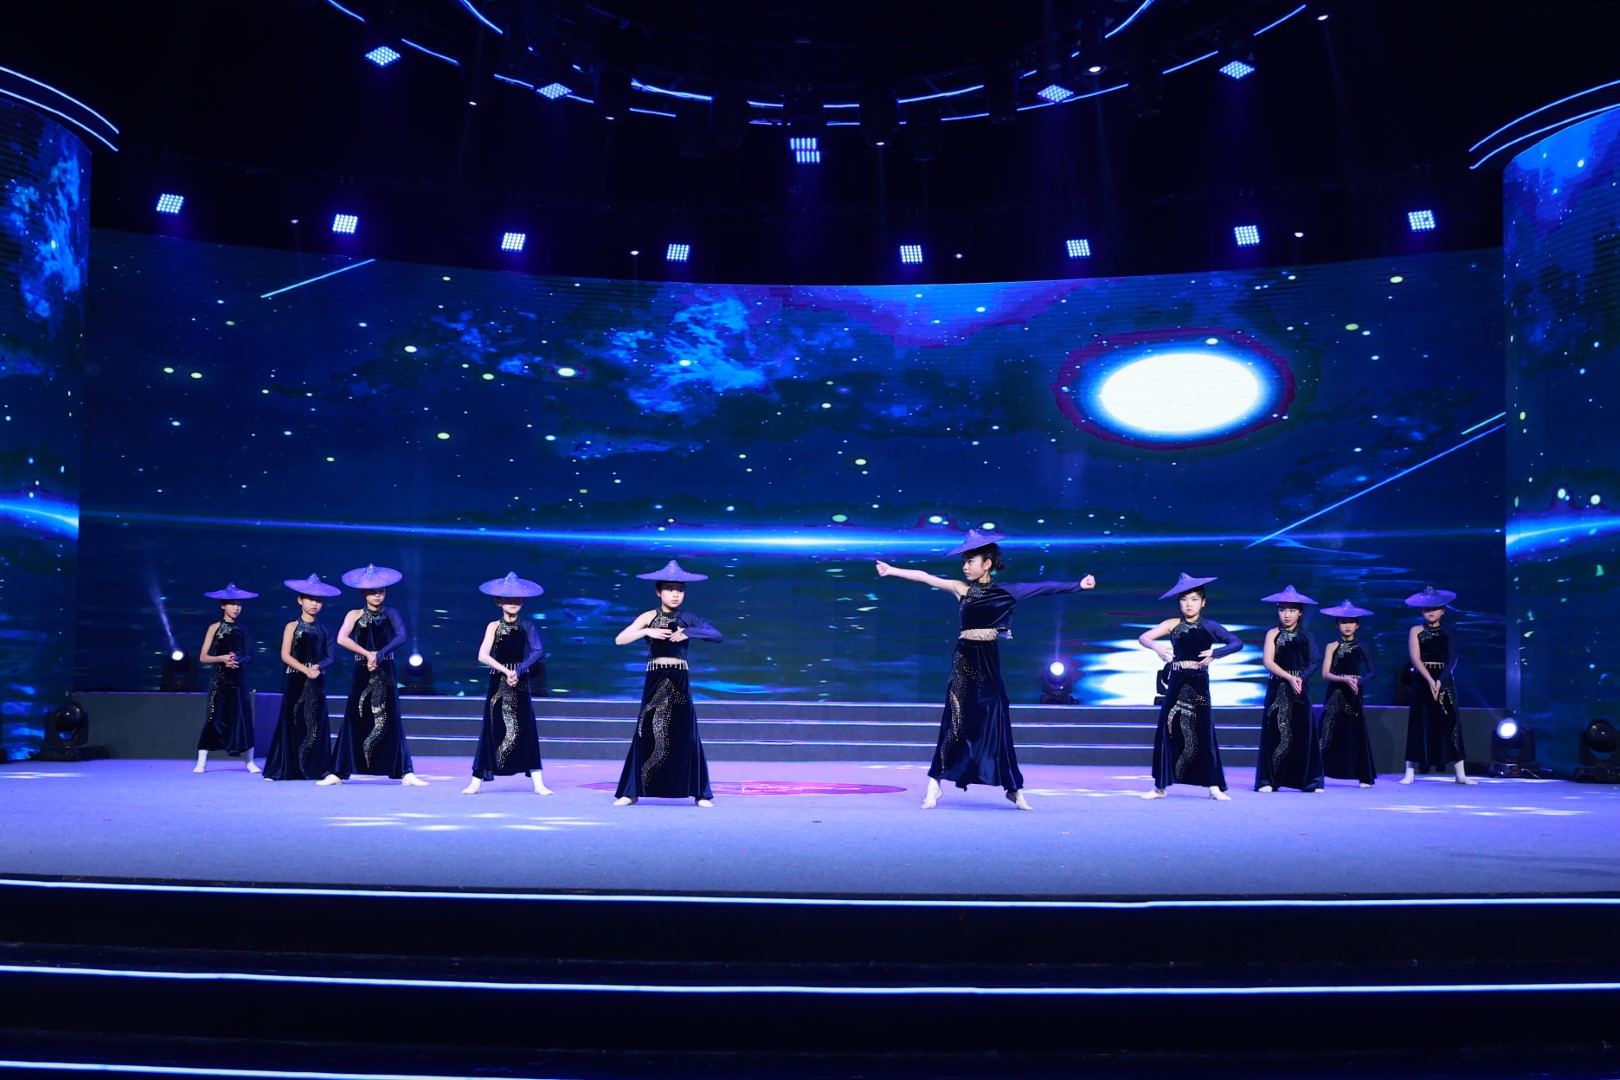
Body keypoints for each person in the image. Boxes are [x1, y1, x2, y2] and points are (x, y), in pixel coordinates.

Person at [876, 528, 1096, 811]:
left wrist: (1079, 585)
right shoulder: (961, 589)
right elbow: (925, 576)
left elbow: (1044, 587)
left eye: (970, 561)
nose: (965, 567)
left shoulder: (1006, 592)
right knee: (955, 719)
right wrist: (892, 570)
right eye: (964, 561)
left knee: (996, 720)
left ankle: (1013, 788)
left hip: (989, 661)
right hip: (964, 660)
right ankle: (934, 782)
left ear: (987, 564)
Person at [612, 560, 722, 807]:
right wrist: (646, 632)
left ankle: (700, 793)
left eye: (680, 590)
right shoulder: (648, 617)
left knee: (686, 733)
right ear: (658, 591)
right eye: (670, 589)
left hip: (679, 678)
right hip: (655, 678)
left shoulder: (687, 618)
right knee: (646, 731)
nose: (675, 594)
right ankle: (631, 791)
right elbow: (620, 639)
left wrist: (688, 632)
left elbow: (716, 636)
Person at [319, 564, 426, 786]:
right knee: (354, 717)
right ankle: (338, 772)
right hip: (362, 670)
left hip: (386, 669)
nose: (377, 595)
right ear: (363, 592)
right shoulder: (354, 614)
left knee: (391, 718)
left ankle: (405, 772)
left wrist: (379, 654)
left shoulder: (391, 613)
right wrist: (368, 654)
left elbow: (401, 636)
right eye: (372, 591)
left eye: (381, 591)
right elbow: (342, 638)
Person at [1138, 573, 1242, 800]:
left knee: (1203, 732)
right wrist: (1156, 647)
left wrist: (1216, 653)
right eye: (1184, 599)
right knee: (1167, 730)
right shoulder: (1172, 624)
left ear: (1203, 602)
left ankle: (1214, 787)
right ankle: (1160, 787)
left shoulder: (1210, 626)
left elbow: (1236, 643)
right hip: (1176, 682)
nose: (1189, 604)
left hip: (1198, 684)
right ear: (1179, 603)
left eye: (1194, 599)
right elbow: (1144, 637)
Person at [464, 572, 552, 796]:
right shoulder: (493, 626)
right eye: (508, 598)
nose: (513, 602)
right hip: (498, 681)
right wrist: (506, 671)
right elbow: (483, 655)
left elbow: (538, 650)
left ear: (523, 601)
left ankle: (538, 783)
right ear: (499, 601)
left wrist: (518, 670)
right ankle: (476, 780)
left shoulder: (527, 625)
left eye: (517, 599)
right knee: (492, 727)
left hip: (520, 681)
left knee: (526, 727)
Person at [262, 574, 340, 781]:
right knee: (292, 721)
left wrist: (318, 666)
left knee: (315, 724)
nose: (314, 604)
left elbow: (331, 657)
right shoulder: (292, 626)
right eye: (310, 599)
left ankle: (315, 768)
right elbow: (285, 655)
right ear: (300, 600)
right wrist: (306, 670)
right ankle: (286, 768)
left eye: (318, 600)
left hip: (317, 679)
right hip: (295, 679)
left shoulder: (326, 629)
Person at [1401, 585, 1474, 785]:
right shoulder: (1415, 630)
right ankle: (1410, 771)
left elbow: (1452, 659)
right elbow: (1415, 658)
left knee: (1451, 722)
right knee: (1417, 723)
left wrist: (1440, 680)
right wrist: (1430, 679)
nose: (1431, 612)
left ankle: (1460, 774)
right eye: (1427, 608)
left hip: (1444, 677)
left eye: (1435, 608)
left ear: (1443, 610)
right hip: (1422, 679)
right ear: (1421, 611)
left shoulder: (1449, 632)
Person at [1254, 586, 1324, 793]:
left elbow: (1314, 661)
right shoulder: (1272, 634)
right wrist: (1289, 677)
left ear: (1300, 612)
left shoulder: (1307, 634)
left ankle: (1309, 781)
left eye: (1292, 610)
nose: (1286, 614)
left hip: (1300, 687)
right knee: (1274, 732)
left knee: (1303, 733)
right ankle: (1269, 781)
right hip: (1278, 687)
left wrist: (1300, 678)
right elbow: (1268, 661)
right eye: (1282, 610)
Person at [194, 584, 259, 774]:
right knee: (213, 718)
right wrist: (221, 659)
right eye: (232, 604)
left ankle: (249, 762)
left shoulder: (244, 629)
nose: (236, 608)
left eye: (239, 604)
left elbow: (250, 656)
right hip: (219, 680)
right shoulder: (214, 627)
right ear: (223, 605)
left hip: (238, 681)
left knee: (243, 719)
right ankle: (201, 762)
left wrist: (238, 659)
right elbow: (203, 657)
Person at [1319, 600, 1378, 787]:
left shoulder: (1363, 646)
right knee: (1328, 731)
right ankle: (1317, 772)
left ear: (1357, 625)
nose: (1347, 625)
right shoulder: (1331, 646)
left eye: (1351, 622)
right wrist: (1344, 679)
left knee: (1355, 732)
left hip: (1354, 692)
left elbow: (1372, 671)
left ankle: (1363, 776)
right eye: (1343, 622)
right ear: (1336, 624)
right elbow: (1325, 673)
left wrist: (1358, 681)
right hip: (1336, 692)